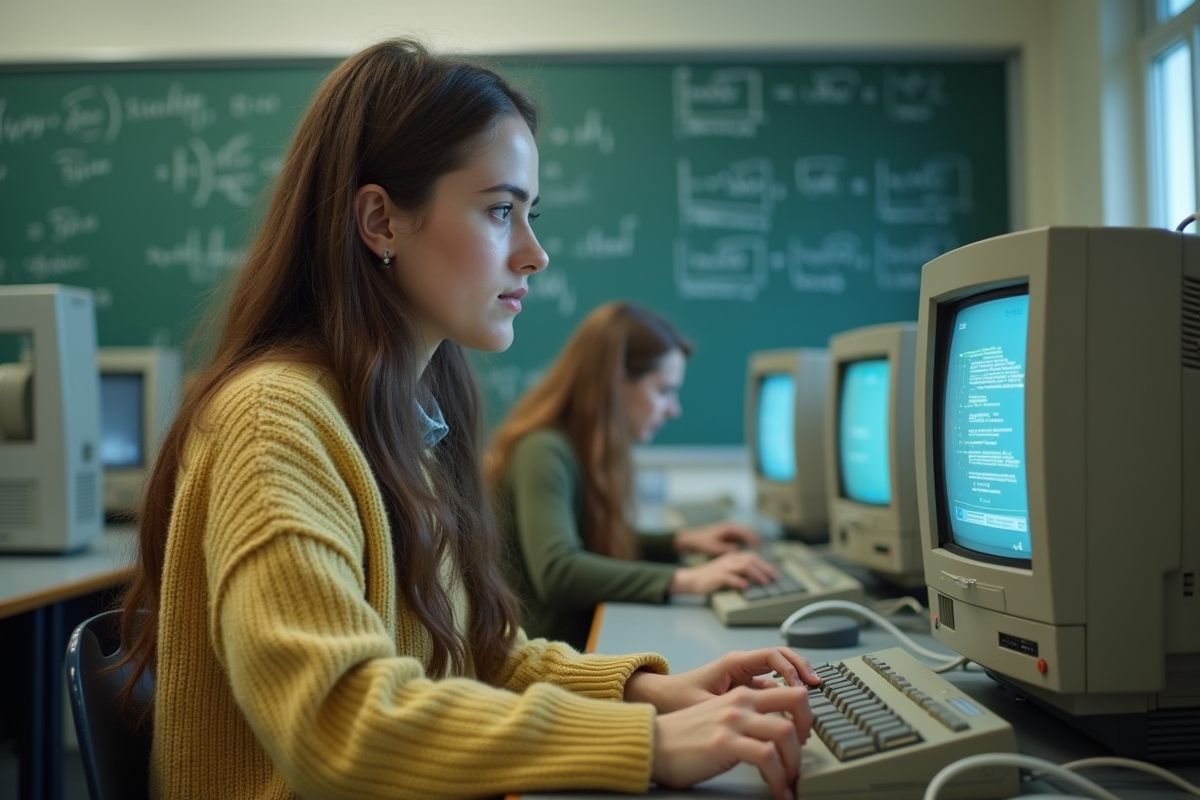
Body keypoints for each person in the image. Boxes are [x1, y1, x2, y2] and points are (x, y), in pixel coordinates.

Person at [113, 39, 817, 800]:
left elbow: (480, 656)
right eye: (499, 211)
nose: (535, 254)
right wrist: (643, 743)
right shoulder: (272, 421)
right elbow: (337, 723)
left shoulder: (401, 417)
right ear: (381, 221)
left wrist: (652, 694)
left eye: (529, 215)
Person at [487, 301, 780, 650]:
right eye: (663, 390)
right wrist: (687, 578)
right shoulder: (543, 449)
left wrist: (680, 542)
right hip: (545, 664)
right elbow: (559, 571)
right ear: (615, 382)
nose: (674, 409)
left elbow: (589, 539)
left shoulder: (581, 448)